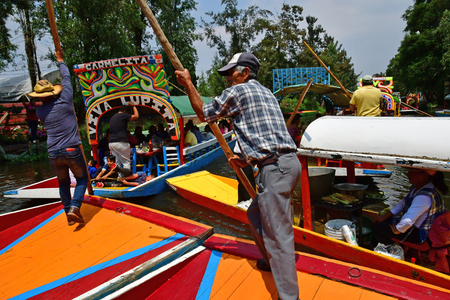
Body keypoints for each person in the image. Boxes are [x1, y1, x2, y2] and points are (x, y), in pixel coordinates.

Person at [176, 52, 301, 300]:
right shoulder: (267, 93)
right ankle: (269, 260)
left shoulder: (239, 91)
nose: (227, 79)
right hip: (288, 163)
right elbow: (265, 133)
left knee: (278, 236)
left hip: (274, 168)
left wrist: (189, 83)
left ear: (244, 73)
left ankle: (290, 297)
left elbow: (203, 114)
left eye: (231, 73)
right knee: (255, 212)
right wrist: (246, 159)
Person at [31, 49, 88, 226]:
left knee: (63, 183)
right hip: (71, 148)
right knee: (82, 179)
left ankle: (68, 214)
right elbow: (67, 79)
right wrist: (60, 60)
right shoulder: (65, 100)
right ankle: (75, 207)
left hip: (53, 152)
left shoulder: (40, 111)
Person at [372, 168, 448, 247]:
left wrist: (397, 230)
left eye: (412, 171)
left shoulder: (424, 196)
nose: (408, 174)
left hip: (420, 233)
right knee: (383, 222)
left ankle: (390, 250)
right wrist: (384, 217)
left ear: (424, 175)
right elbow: (404, 202)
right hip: (415, 227)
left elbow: (408, 221)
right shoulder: (417, 187)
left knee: (377, 228)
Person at [109, 103, 138, 169]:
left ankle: (119, 178)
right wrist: (133, 106)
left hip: (111, 143)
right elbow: (136, 116)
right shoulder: (122, 115)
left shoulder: (113, 117)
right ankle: (127, 178)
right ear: (125, 112)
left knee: (117, 162)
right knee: (126, 162)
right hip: (121, 143)